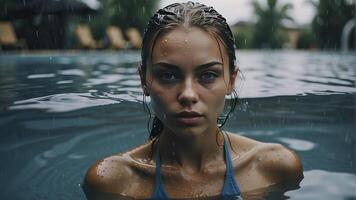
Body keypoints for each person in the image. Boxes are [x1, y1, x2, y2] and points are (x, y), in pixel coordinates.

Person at [83, 2, 303, 199]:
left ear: (231, 80)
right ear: (144, 81)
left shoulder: (274, 167)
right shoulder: (113, 182)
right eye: (168, 75)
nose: (188, 94)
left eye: (208, 75)